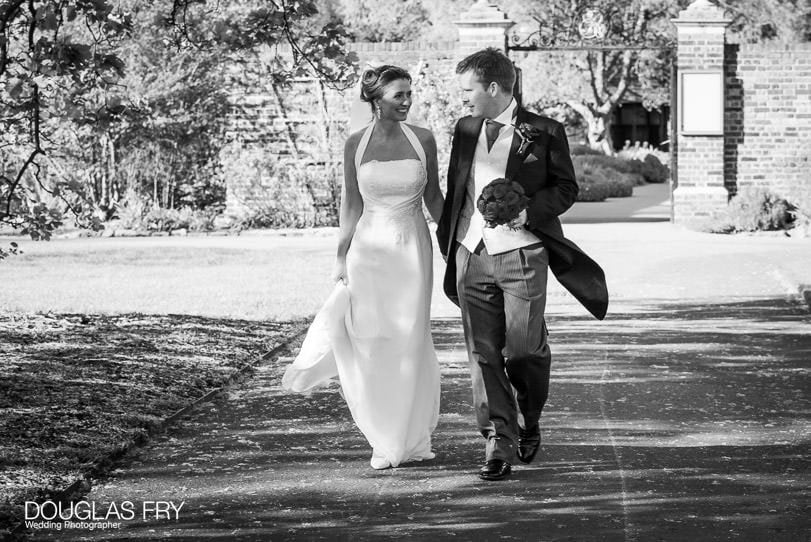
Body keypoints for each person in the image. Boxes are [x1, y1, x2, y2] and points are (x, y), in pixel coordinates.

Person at [436, 48, 609, 481]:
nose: (463, 100)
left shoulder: (545, 131)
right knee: (483, 352)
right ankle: (497, 441)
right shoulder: (465, 128)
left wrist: (527, 211)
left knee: (525, 350)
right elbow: (457, 185)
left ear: (493, 88)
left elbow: (566, 188)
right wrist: (451, 241)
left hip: (524, 253)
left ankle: (530, 417)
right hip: (470, 253)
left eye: (467, 91)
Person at [283, 65, 444, 470]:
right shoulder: (355, 143)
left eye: (410, 93)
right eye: (398, 96)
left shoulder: (423, 139)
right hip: (368, 253)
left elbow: (436, 198)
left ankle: (408, 436)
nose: (407, 101)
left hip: (412, 251)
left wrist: (454, 243)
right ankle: (382, 436)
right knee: (371, 339)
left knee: (409, 340)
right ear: (376, 100)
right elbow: (350, 205)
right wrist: (341, 255)